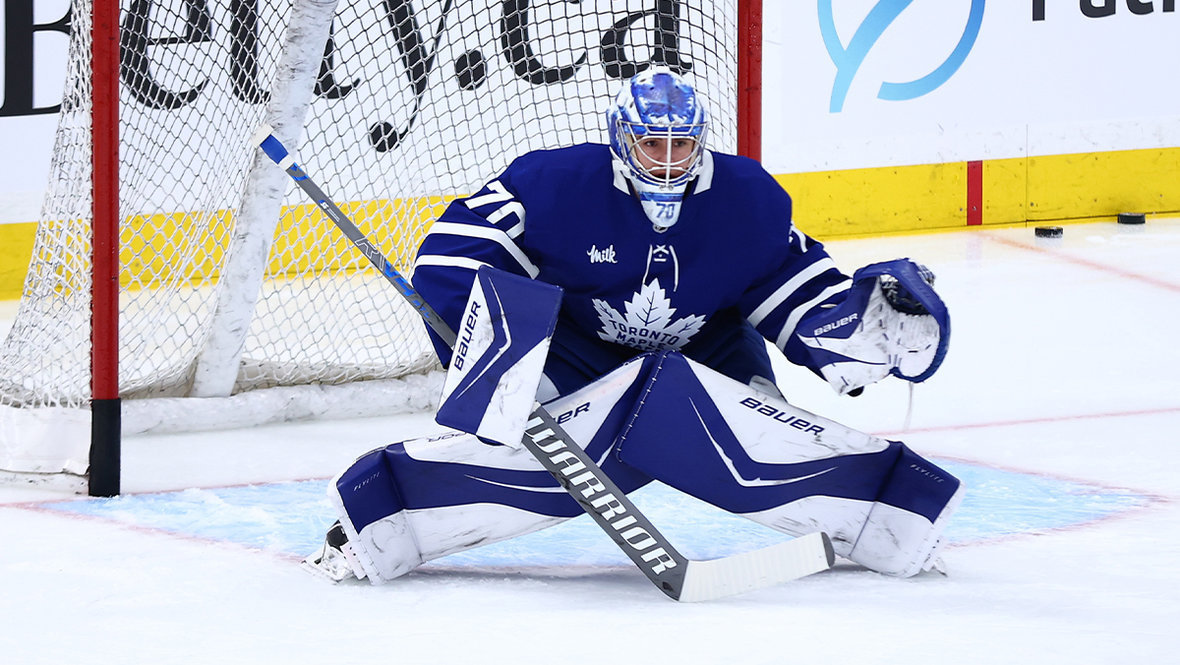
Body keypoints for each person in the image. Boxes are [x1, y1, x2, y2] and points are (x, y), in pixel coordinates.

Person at [305, 67, 960, 585]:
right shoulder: (554, 183)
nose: (669, 159)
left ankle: (892, 514)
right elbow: (453, 256)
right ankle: (381, 518)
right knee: (535, 457)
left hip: (711, 352)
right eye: (653, 143)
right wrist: (504, 363)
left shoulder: (747, 199)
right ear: (623, 138)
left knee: (765, 430)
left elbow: (795, 289)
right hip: (578, 354)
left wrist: (858, 333)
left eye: (682, 144)